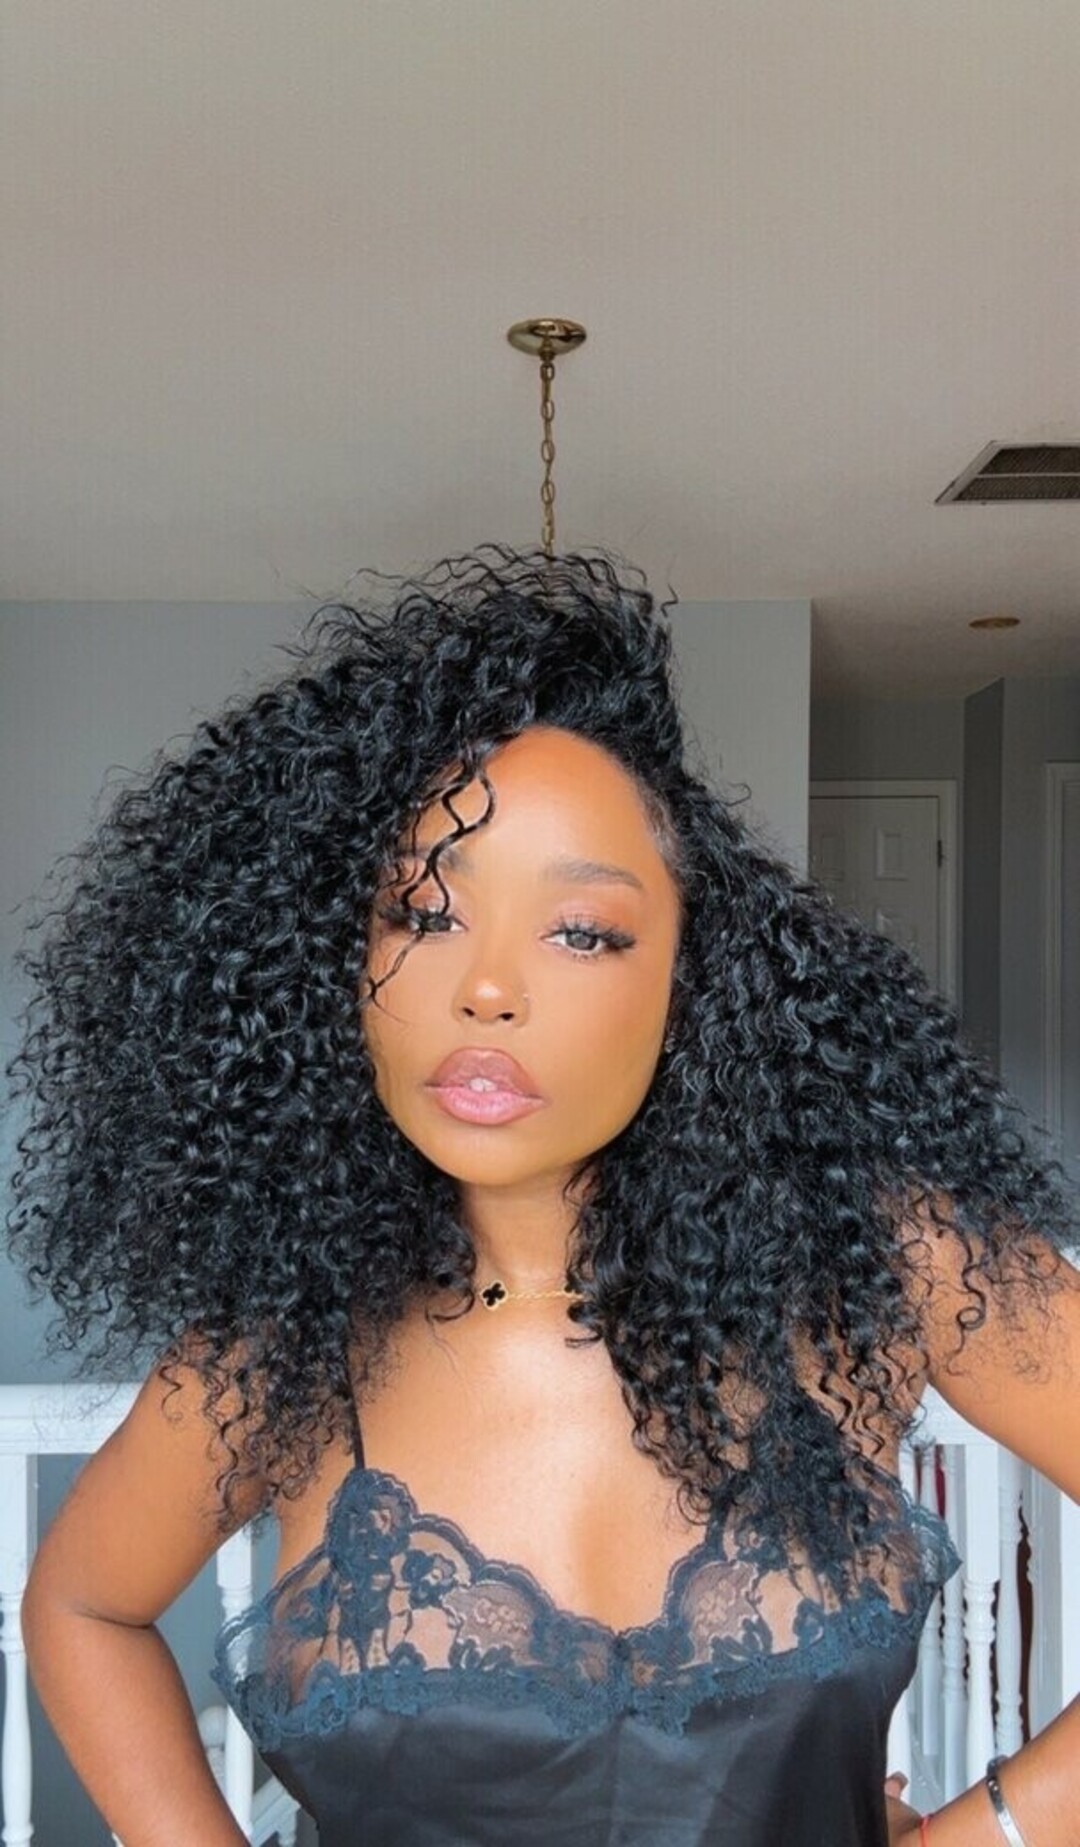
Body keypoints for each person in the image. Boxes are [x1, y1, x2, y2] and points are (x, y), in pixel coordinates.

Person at [6, 543, 1079, 1847]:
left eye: (583, 931)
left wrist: (989, 1835)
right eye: (422, 913)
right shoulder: (287, 1344)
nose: (488, 988)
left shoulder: (884, 1264)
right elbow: (83, 1605)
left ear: (696, 975)